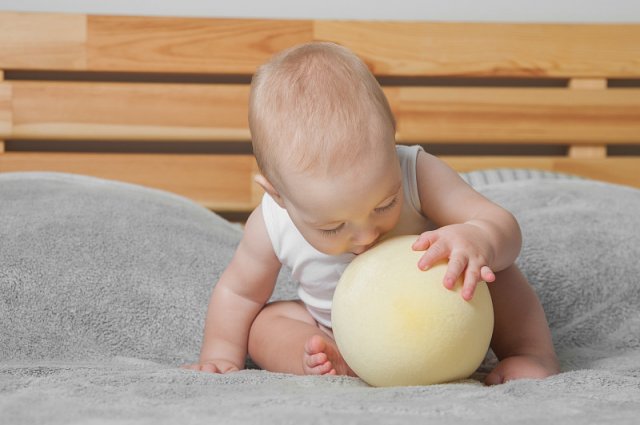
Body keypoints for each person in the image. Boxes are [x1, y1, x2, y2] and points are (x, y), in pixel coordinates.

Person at [183, 42, 560, 385]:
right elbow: (238, 293)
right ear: (279, 196)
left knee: (492, 269)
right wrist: (219, 356)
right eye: (332, 227)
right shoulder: (272, 222)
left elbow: (502, 225)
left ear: (392, 139)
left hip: (445, 323)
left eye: (384, 204)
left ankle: (531, 355)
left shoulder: (416, 173)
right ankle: (319, 361)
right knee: (266, 322)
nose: (366, 236)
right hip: (342, 334)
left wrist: (478, 237)